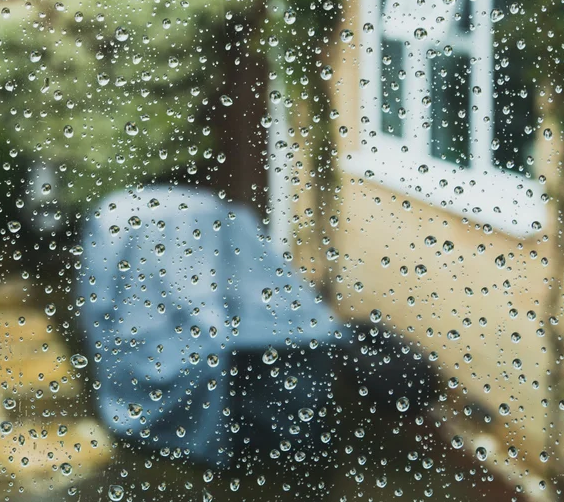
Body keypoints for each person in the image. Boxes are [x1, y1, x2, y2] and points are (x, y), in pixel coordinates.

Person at [74, 183, 434, 471]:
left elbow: (265, 281)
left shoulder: (224, 223)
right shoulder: (128, 233)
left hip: (224, 314)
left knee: (292, 339)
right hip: (164, 323)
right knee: (215, 349)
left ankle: (279, 435)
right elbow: (110, 306)